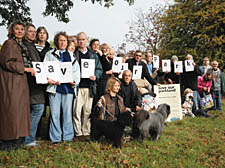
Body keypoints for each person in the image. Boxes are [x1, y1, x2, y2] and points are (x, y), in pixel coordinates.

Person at [0, 20, 34, 150]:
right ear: (12, 31)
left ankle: (18, 138)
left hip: (20, 80)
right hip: (11, 81)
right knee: (11, 110)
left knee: (20, 110)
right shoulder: (9, 43)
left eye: (22, 29)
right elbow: (7, 62)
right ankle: (8, 140)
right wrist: (26, 69)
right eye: (17, 29)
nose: (20, 31)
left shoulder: (21, 45)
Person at [44, 31, 80, 144]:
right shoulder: (50, 54)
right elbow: (45, 69)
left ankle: (68, 137)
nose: (63, 42)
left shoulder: (71, 56)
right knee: (54, 114)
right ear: (56, 42)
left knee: (67, 113)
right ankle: (56, 138)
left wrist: (74, 81)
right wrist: (49, 80)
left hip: (68, 89)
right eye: (60, 40)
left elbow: (76, 72)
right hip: (54, 88)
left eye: (64, 40)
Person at [73, 32, 102, 140]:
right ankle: (78, 132)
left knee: (87, 111)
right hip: (77, 86)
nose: (81, 41)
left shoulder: (93, 55)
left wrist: (96, 75)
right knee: (76, 111)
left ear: (86, 40)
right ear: (77, 41)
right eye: (79, 39)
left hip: (89, 86)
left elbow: (99, 69)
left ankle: (86, 131)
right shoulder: (74, 54)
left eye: (83, 39)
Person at [23, 23, 46, 146]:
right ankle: (28, 139)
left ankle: (29, 137)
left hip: (36, 83)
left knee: (35, 110)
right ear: (25, 33)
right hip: (32, 83)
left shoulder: (31, 46)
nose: (33, 33)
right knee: (38, 109)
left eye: (34, 31)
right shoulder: (26, 46)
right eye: (30, 31)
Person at [35, 26, 52, 139]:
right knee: (37, 106)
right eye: (40, 33)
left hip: (47, 80)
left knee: (46, 107)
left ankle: (43, 132)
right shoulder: (31, 47)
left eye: (44, 33)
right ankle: (35, 131)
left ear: (47, 35)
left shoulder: (50, 50)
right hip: (34, 79)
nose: (42, 35)